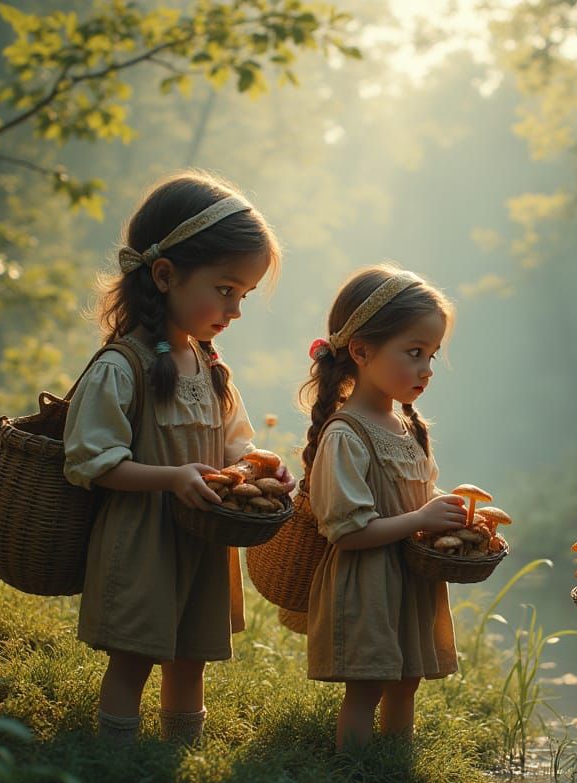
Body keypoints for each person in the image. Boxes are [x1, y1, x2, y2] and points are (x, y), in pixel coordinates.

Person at [64, 170, 293, 746]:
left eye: (243, 295)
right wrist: (171, 478)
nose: (235, 309)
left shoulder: (211, 368)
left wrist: (255, 463)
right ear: (164, 274)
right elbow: (92, 461)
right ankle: (117, 760)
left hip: (201, 540)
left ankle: (178, 754)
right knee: (135, 657)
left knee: (190, 657)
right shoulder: (123, 367)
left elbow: (234, 441)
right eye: (225, 289)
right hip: (142, 538)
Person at [298, 265, 466, 751]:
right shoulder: (345, 434)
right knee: (368, 684)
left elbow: (419, 498)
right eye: (414, 353)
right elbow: (346, 531)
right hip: (368, 582)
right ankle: (355, 775)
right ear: (362, 351)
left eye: (431, 355)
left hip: (409, 580)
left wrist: (443, 511)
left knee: (406, 679)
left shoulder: (408, 429)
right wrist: (420, 519)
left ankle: (393, 767)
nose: (426, 369)